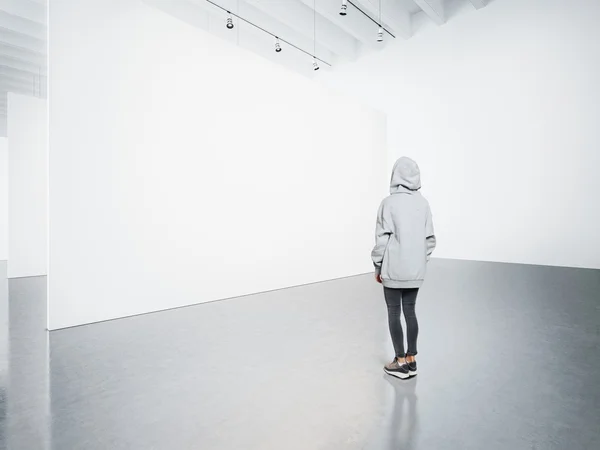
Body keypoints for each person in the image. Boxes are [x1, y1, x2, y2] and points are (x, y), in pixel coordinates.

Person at [371, 157, 436, 379]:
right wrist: (419, 260)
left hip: (393, 268)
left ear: (395, 176)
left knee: (394, 312)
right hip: (415, 271)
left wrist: (378, 266)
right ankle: (412, 359)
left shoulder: (388, 203)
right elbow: (430, 240)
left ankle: (399, 362)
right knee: (410, 311)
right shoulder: (423, 203)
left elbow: (382, 240)